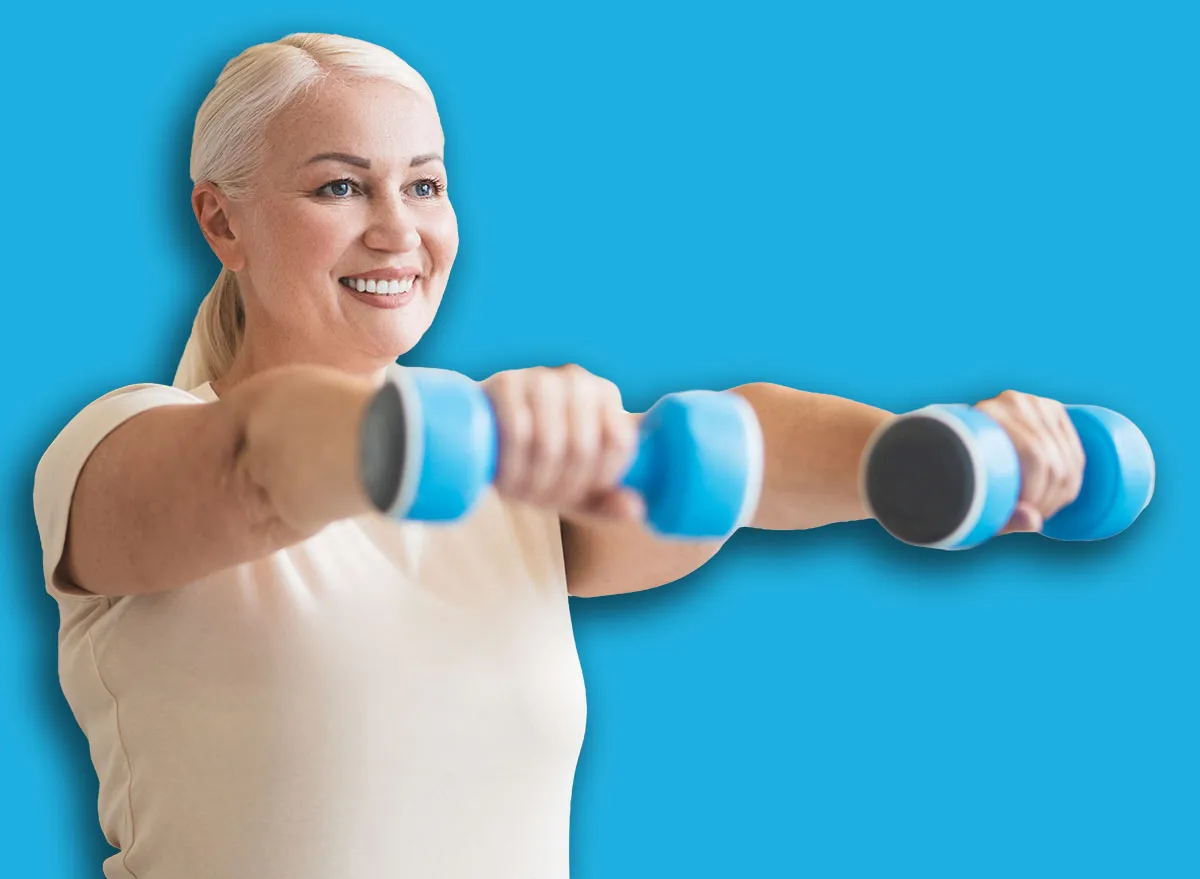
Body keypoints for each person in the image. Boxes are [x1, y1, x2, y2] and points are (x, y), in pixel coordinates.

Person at [31, 32, 1086, 879]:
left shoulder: (502, 469)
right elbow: (256, 463)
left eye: (426, 186)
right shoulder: (118, 446)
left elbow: (726, 449)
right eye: (340, 188)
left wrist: (939, 449)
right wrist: (438, 431)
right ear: (222, 220)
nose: (399, 231)